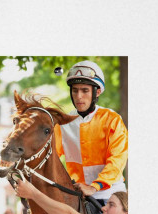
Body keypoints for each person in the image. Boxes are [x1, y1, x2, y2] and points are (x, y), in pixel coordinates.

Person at [54, 61, 128, 205]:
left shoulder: (112, 119)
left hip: (110, 193)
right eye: (75, 90)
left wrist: (94, 187)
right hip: (78, 194)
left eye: (85, 91)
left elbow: (117, 160)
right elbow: (50, 157)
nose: (79, 96)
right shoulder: (63, 123)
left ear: (97, 92)